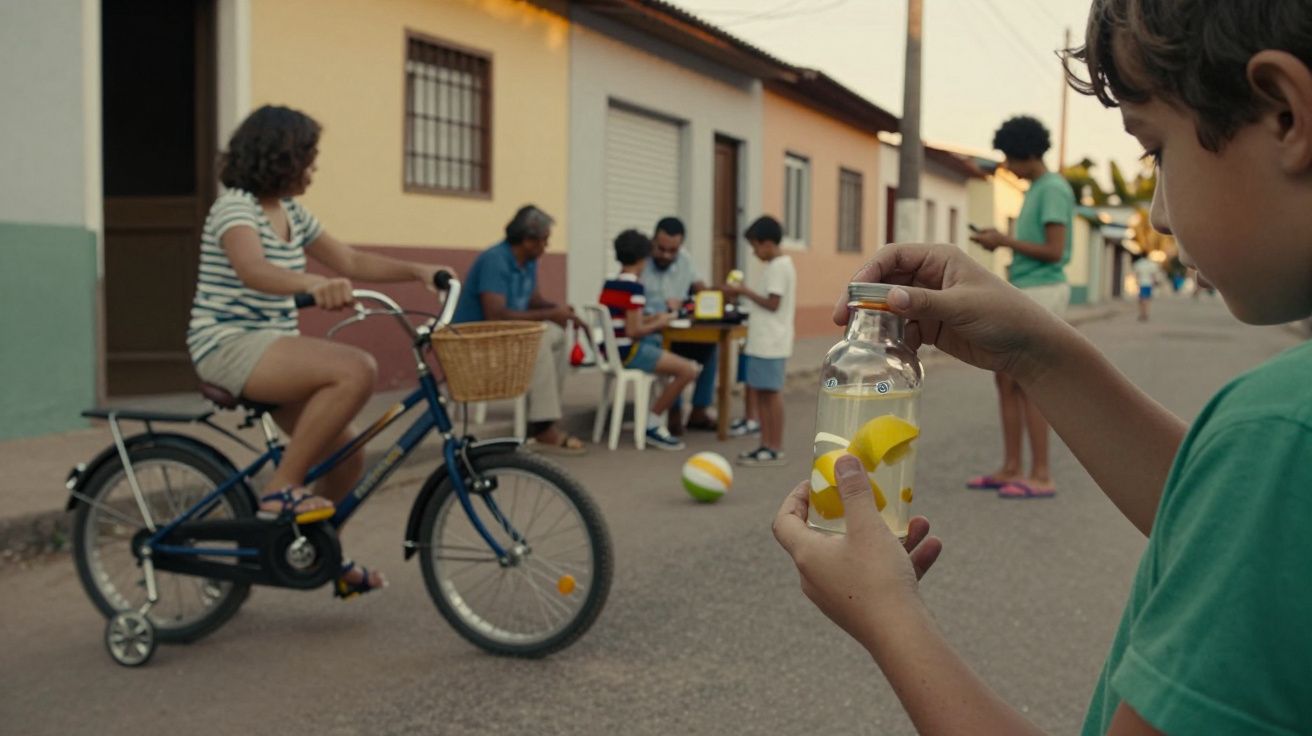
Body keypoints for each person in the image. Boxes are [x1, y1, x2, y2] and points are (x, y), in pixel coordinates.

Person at [774, 2, 1312, 733]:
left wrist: (886, 616)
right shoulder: (1280, 446)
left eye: (1155, 151)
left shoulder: (1284, 430)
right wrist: (1035, 346)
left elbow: (1265, 482)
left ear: (1286, 114)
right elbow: (1227, 514)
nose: (1154, 214)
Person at [188, 105, 449, 596]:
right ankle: (281, 489)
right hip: (227, 344)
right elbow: (252, 269)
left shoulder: (292, 213)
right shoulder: (235, 208)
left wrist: (416, 271)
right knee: (355, 368)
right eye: (307, 158)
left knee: (347, 458)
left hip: (270, 348)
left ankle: (319, 556)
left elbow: (349, 259)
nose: (313, 168)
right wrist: (312, 283)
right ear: (281, 158)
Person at [968, 115, 1076, 499]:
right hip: (1028, 288)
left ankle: (1042, 474)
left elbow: (1054, 251)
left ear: (1026, 153)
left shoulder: (1053, 189)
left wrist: (1004, 242)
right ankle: (1012, 467)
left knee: (1029, 382)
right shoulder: (1035, 189)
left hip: (1044, 290)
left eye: (1010, 158)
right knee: (1006, 378)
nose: (1008, 166)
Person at [452, 205, 585, 455]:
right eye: (544, 241)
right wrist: (549, 315)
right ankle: (544, 426)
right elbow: (496, 314)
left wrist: (559, 311)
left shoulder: (528, 262)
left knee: (556, 334)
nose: (546, 247)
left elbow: (534, 300)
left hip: (508, 337)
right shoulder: (496, 260)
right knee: (542, 336)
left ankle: (544, 417)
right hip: (478, 342)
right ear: (527, 240)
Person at [599, 229, 699, 450]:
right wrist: (660, 323)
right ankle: (652, 422)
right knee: (688, 370)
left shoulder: (611, 285)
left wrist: (654, 317)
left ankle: (653, 416)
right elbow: (634, 331)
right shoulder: (635, 287)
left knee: (662, 351)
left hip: (613, 352)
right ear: (644, 259)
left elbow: (626, 319)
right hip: (630, 352)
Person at [723, 216, 795, 466]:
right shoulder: (778, 266)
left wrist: (744, 291)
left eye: (755, 247)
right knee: (765, 394)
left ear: (766, 243)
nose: (754, 253)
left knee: (770, 394)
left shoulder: (778, 267)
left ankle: (773, 446)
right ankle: (766, 444)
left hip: (770, 342)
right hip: (767, 341)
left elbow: (773, 303)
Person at [640, 216, 718, 436]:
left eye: (672, 251)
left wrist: (686, 302)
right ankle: (672, 412)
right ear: (653, 241)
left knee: (709, 348)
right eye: (661, 249)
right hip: (650, 333)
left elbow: (704, 292)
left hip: (680, 331)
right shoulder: (639, 261)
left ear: (680, 246)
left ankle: (699, 411)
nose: (666, 255)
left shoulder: (685, 260)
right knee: (668, 352)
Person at [1132, 255, 1161, 322]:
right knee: (1147, 300)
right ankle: (1145, 314)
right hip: (1149, 284)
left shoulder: (1139, 263)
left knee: (1141, 300)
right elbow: (1153, 275)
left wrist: (1137, 281)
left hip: (1142, 283)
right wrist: (1154, 282)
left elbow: (1136, 274)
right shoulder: (1151, 264)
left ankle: (1143, 314)